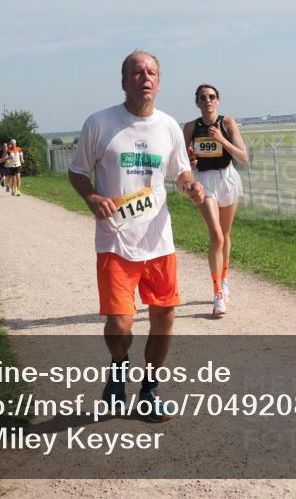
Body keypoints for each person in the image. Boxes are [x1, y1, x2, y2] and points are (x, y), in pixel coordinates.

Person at [68, 50, 204, 421]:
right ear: (124, 80)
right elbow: (78, 172)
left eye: (153, 72)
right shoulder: (100, 123)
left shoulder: (169, 126)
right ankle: (118, 367)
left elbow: (182, 173)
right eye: (138, 72)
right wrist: (92, 196)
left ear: (159, 82)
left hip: (158, 240)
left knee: (166, 317)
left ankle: (150, 389)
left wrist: (191, 186)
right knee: (120, 323)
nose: (146, 78)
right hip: (115, 240)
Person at [183, 85, 249, 318]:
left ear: (218, 100)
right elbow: (182, 160)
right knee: (216, 236)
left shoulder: (228, 123)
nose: (207, 101)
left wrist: (222, 140)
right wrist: (189, 160)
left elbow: (244, 157)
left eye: (211, 97)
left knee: (226, 234)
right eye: (203, 98)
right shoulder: (191, 127)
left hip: (228, 178)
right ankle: (218, 293)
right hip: (205, 182)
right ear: (197, 102)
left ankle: (225, 278)